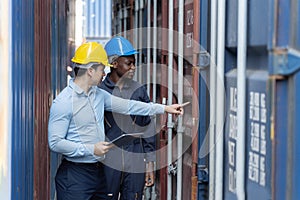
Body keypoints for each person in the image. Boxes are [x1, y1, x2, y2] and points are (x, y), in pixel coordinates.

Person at [48, 41, 184, 200]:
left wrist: (164, 108)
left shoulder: (98, 95)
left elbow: (129, 106)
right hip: (75, 176)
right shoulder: (64, 102)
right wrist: (90, 149)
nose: (104, 74)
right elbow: (55, 142)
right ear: (90, 71)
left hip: (97, 173)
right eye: (101, 69)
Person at [100, 36, 156, 200]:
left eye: (134, 63)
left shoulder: (139, 91)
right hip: (108, 156)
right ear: (114, 63)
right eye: (128, 63)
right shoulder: (100, 92)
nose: (133, 67)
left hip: (135, 155)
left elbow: (148, 127)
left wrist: (149, 163)